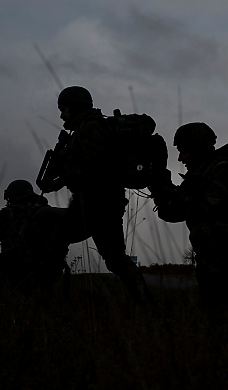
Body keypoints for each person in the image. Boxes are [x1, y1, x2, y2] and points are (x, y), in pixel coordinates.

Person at [42, 86, 148, 304]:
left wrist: (64, 176)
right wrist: (60, 181)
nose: (62, 114)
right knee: (115, 259)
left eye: (64, 109)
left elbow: (90, 166)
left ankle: (40, 296)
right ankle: (147, 303)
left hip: (94, 200)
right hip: (104, 200)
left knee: (57, 240)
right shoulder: (87, 128)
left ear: (75, 106)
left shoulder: (91, 127)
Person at [150, 122, 228, 311]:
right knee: (214, 296)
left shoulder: (226, 168)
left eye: (184, 151)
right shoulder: (199, 174)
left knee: (217, 295)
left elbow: (207, 206)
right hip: (218, 240)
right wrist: (160, 189)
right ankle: (225, 302)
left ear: (198, 148)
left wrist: (173, 195)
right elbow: (172, 213)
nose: (181, 157)